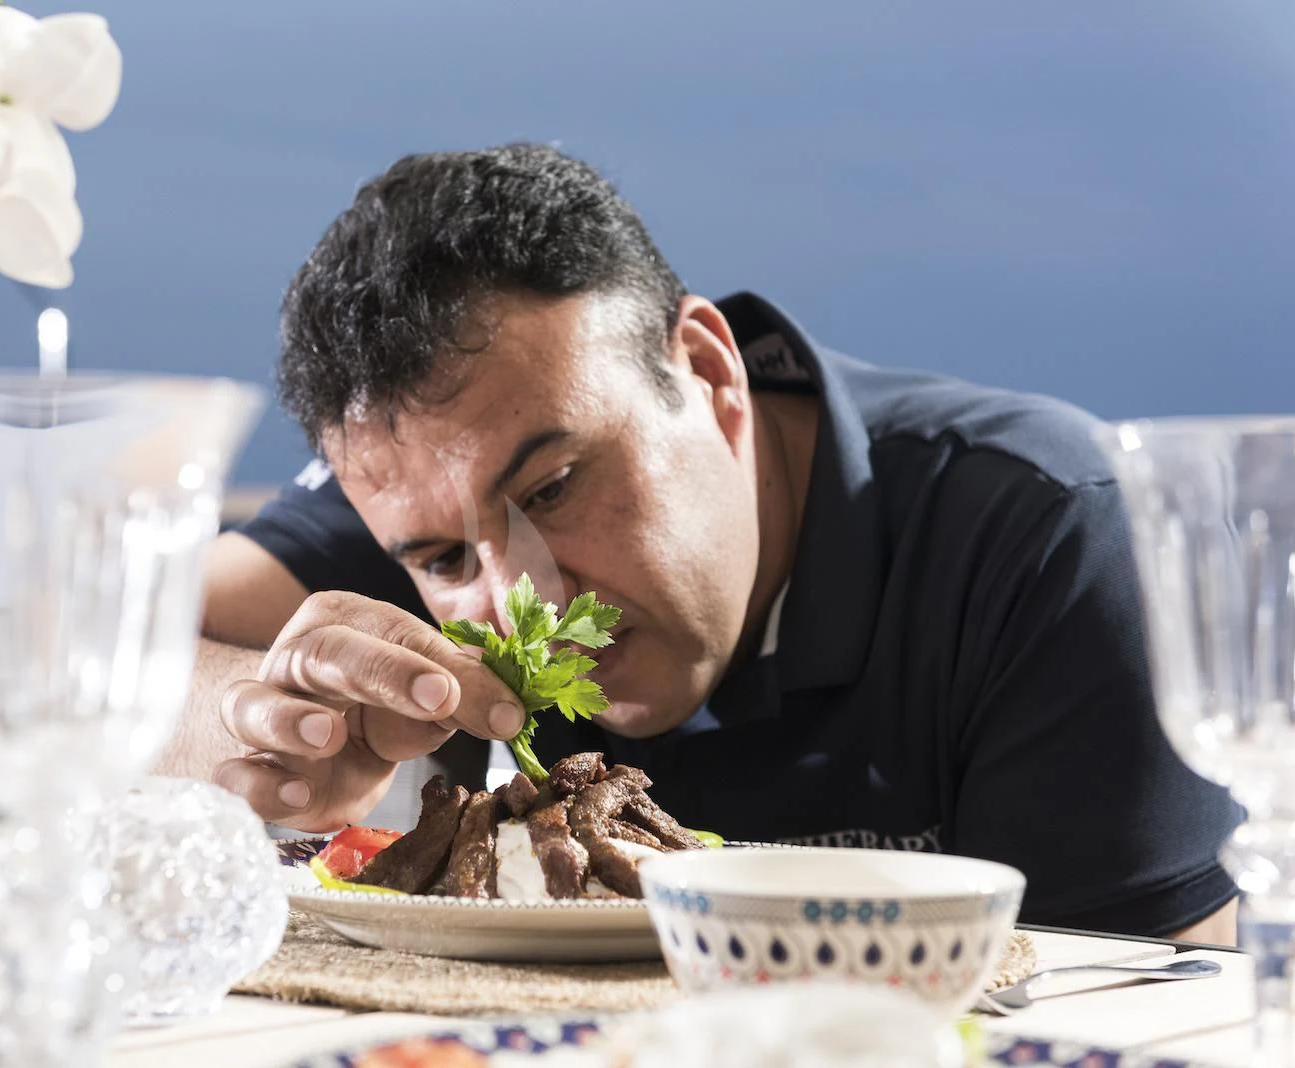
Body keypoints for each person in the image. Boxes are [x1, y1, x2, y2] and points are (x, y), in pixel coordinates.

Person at [160, 144, 1241, 943]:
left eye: (558, 484)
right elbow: (121, 649)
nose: (518, 594)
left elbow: (1141, 1005)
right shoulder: (435, 477)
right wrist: (254, 716)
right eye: (440, 560)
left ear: (710, 375)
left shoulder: (1055, 538)